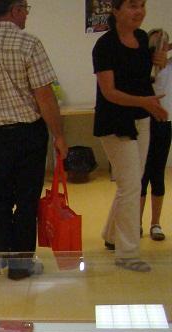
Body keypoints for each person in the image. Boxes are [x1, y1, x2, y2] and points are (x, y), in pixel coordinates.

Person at [0, 0, 68, 280]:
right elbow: (45, 96)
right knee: (27, 199)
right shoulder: (28, 43)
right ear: (16, 10)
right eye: (26, 10)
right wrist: (59, 135)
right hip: (28, 133)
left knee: (0, 195)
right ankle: (20, 265)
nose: (26, 16)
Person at [93, 0, 168, 272]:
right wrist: (145, 103)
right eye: (132, 6)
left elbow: (144, 79)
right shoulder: (104, 46)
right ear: (116, 10)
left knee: (131, 182)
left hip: (142, 119)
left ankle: (111, 235)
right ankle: (127, 253)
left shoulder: (140, 38)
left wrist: (160, 61)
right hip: (114, 123)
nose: (139, 11)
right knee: (131, 187)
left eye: (142, 5)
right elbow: (110, 92)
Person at [140, 28, 171, 242]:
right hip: (143, 123)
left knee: (157, 174)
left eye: (163, 45)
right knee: (141, 176)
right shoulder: (141, 67)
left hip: (163, 124)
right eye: (155, 45)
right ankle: (136, 223)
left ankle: (156, 223)